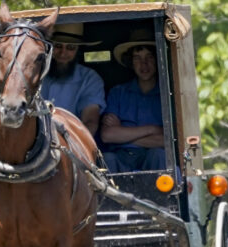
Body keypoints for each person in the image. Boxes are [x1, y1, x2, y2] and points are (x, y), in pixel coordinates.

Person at [100, 28, 166, 173]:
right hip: (122, 159)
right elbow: (107, 136)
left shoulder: (166, 94)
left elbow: (167, 141)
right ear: (131, 62)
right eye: (137, 58)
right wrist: (152, 130)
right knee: (108, 158)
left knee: (159, 154)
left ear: (157, 59)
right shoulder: (118, 92)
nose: (144, 64)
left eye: (149, 57)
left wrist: (123, 134)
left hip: (153, 159)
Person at [40, 23, 106, 136]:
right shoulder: (35, 74)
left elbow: (90, 123)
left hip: (73, 144)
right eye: (58, 46)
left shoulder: (89, 78)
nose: (63, 52)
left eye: (70, 47)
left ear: (78, 50)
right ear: (49, 47)